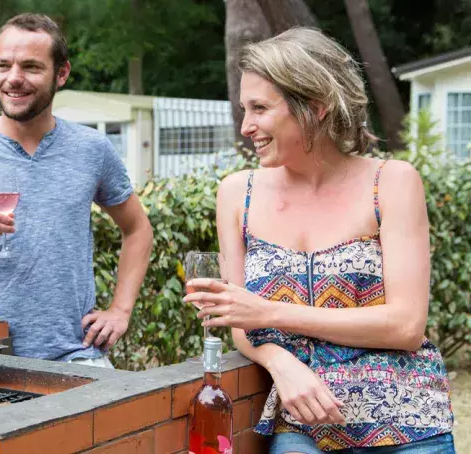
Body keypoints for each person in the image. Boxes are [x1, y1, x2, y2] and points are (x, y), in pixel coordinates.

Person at [185, 28, 455, 452]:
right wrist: (279, 361)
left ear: (314, 106)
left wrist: (271, 313)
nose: (246, 126)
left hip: (408, 424)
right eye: (244, 109)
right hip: (302, 427)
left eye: (260, 108)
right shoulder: (237, 193)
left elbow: (405, 326)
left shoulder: (392, 183)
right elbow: (240, 321)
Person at [0, 13, 153, 367]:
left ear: (62, 73)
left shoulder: (92, 149)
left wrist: (120, 310)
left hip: (75, 354)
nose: (13, 78)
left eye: (30, 67)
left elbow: (138, 229)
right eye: (3, 65)